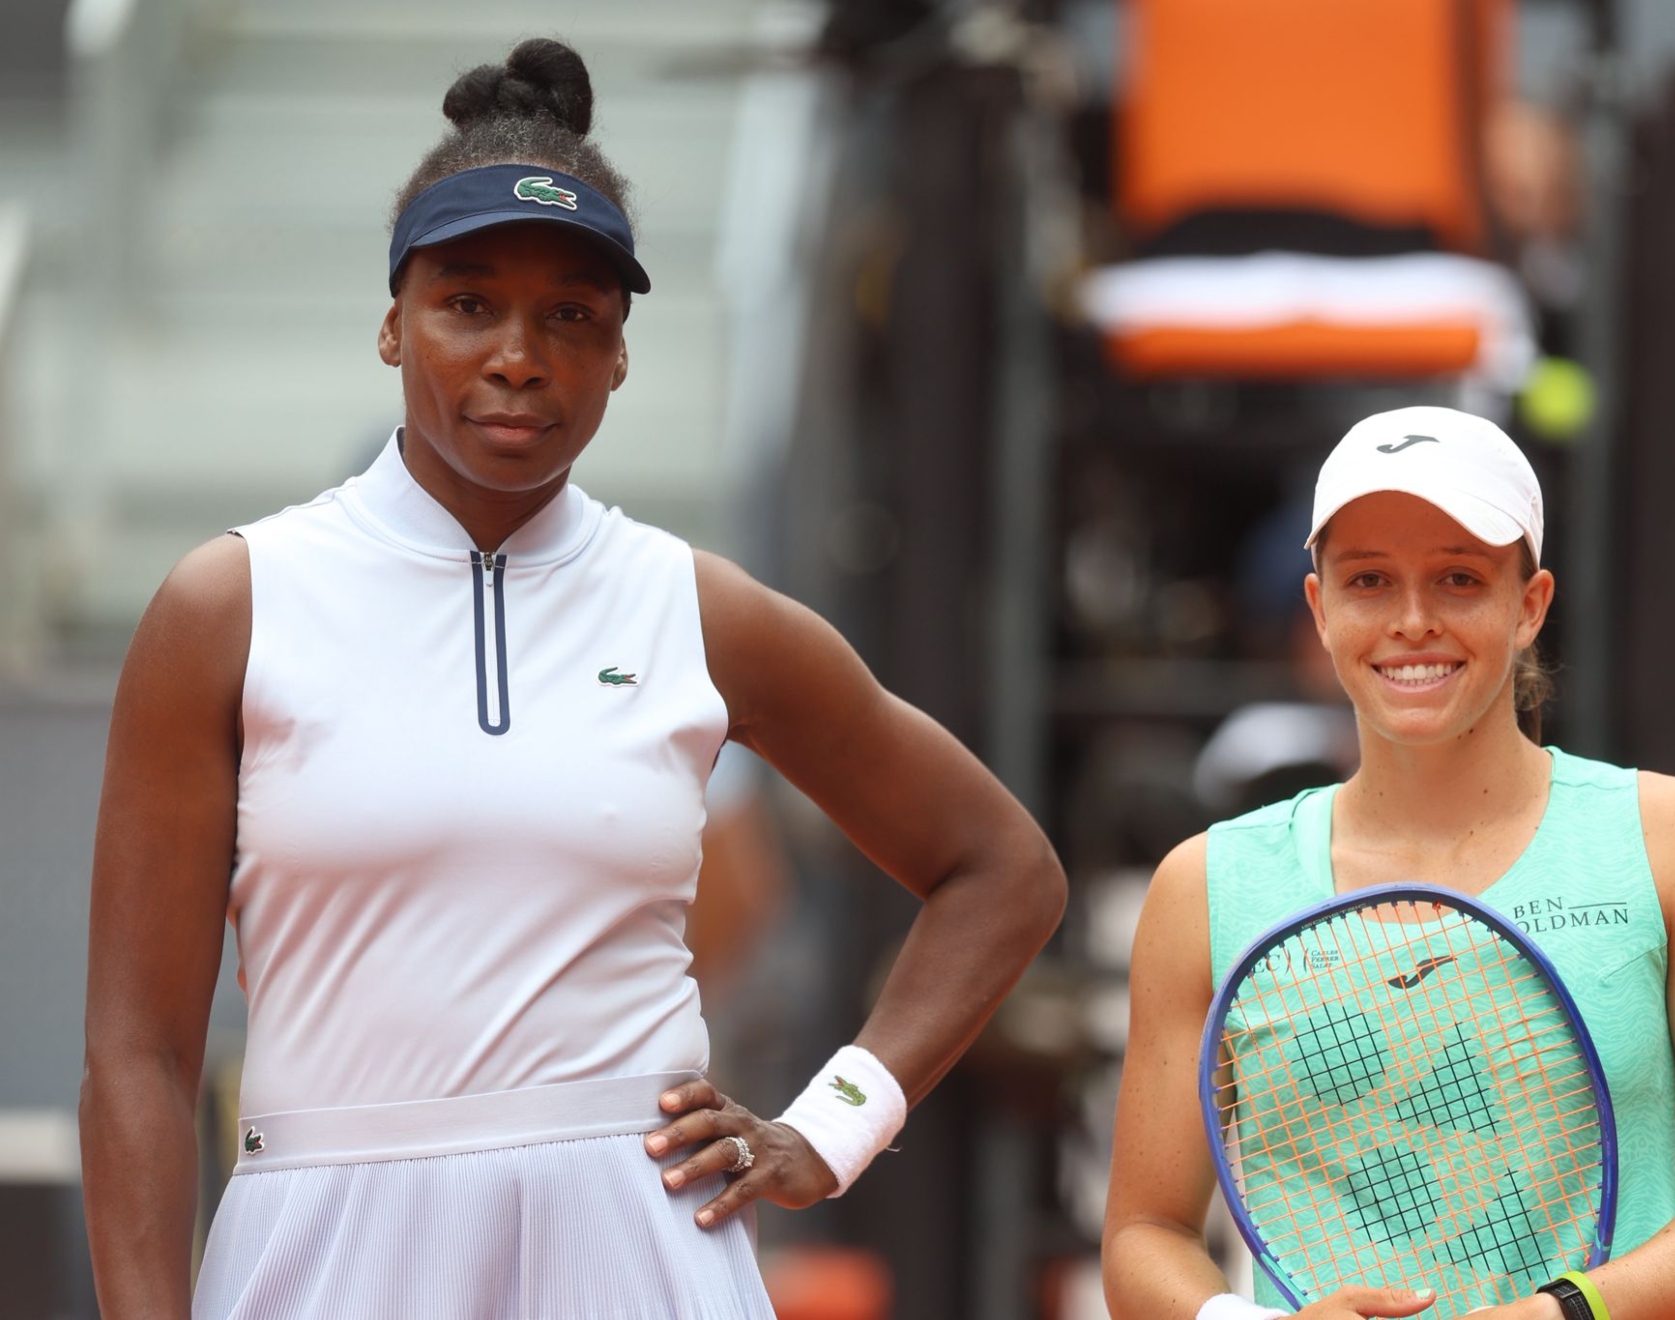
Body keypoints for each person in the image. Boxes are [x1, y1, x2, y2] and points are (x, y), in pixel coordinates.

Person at [77, 38, 1066, 1320]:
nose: (520, 355)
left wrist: (831, 1128)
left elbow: (1003, 869)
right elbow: (135, 1058)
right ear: (392, 324)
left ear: (618, 356)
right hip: (322, 1238)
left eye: (573, 316)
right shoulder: (230, 605)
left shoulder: (699, 610)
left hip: (640, 1245)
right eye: (469, 302)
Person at [1100, 406, 1675, 1320]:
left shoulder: (1671, 835)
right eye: (1370, 581)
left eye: (1458, 579)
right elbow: (1144, 1237)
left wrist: (1559, 1314)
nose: (1413, 622)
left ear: (1529, 605)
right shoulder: (1205, 886)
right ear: (1320, 609)